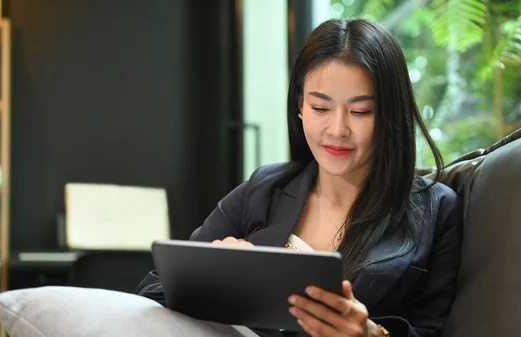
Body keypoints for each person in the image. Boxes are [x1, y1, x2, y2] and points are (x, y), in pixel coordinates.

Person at [136, 18, 463, 337]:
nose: (337, 129)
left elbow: (434, 327)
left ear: (391, 113)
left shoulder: (436, 211)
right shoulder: (264, 189)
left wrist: (371, 334)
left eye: (360, 111)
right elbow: (153, 290)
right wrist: (215, 277)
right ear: (299, 107)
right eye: (320, 108)